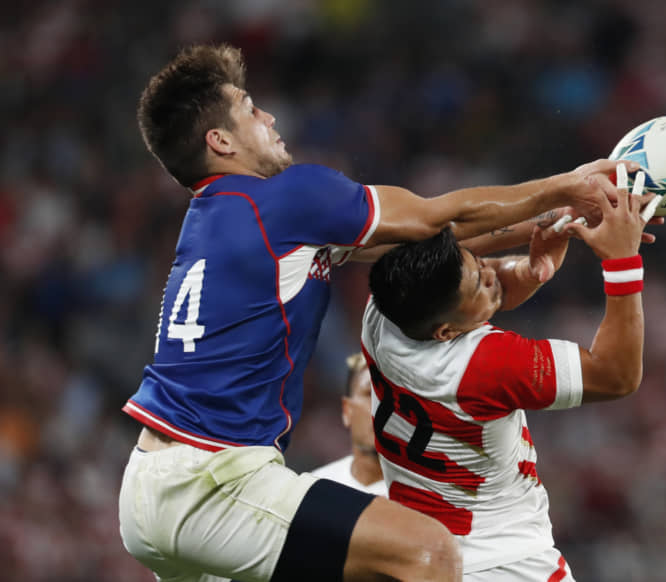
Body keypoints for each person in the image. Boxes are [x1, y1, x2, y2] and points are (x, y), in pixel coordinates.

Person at [117, 43, 639, 582]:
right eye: (250, 109)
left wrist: (558, 216)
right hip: (211, 481)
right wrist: (568, 185)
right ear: (220, 141)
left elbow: (431, 237)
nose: (269, 118)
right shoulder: (286, 199)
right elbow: (439, 214)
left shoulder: (220, 221)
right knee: (428, 554)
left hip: (152, 486)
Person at [362, 170, 655, 581]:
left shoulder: (385, 312)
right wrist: (622, 261)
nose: (490, 275)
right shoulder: (485, 365)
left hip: (428, 557)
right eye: (479, 285)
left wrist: (552, 229)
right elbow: (616, 375)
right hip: (508, 564)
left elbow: (478, 270)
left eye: (478, 264)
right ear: (445, 332)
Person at [311, 353, 386, 496]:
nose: (380, 407)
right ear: (347, 411)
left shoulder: (433, 498)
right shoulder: (314, 491)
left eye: (389, 395)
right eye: (369, 394)